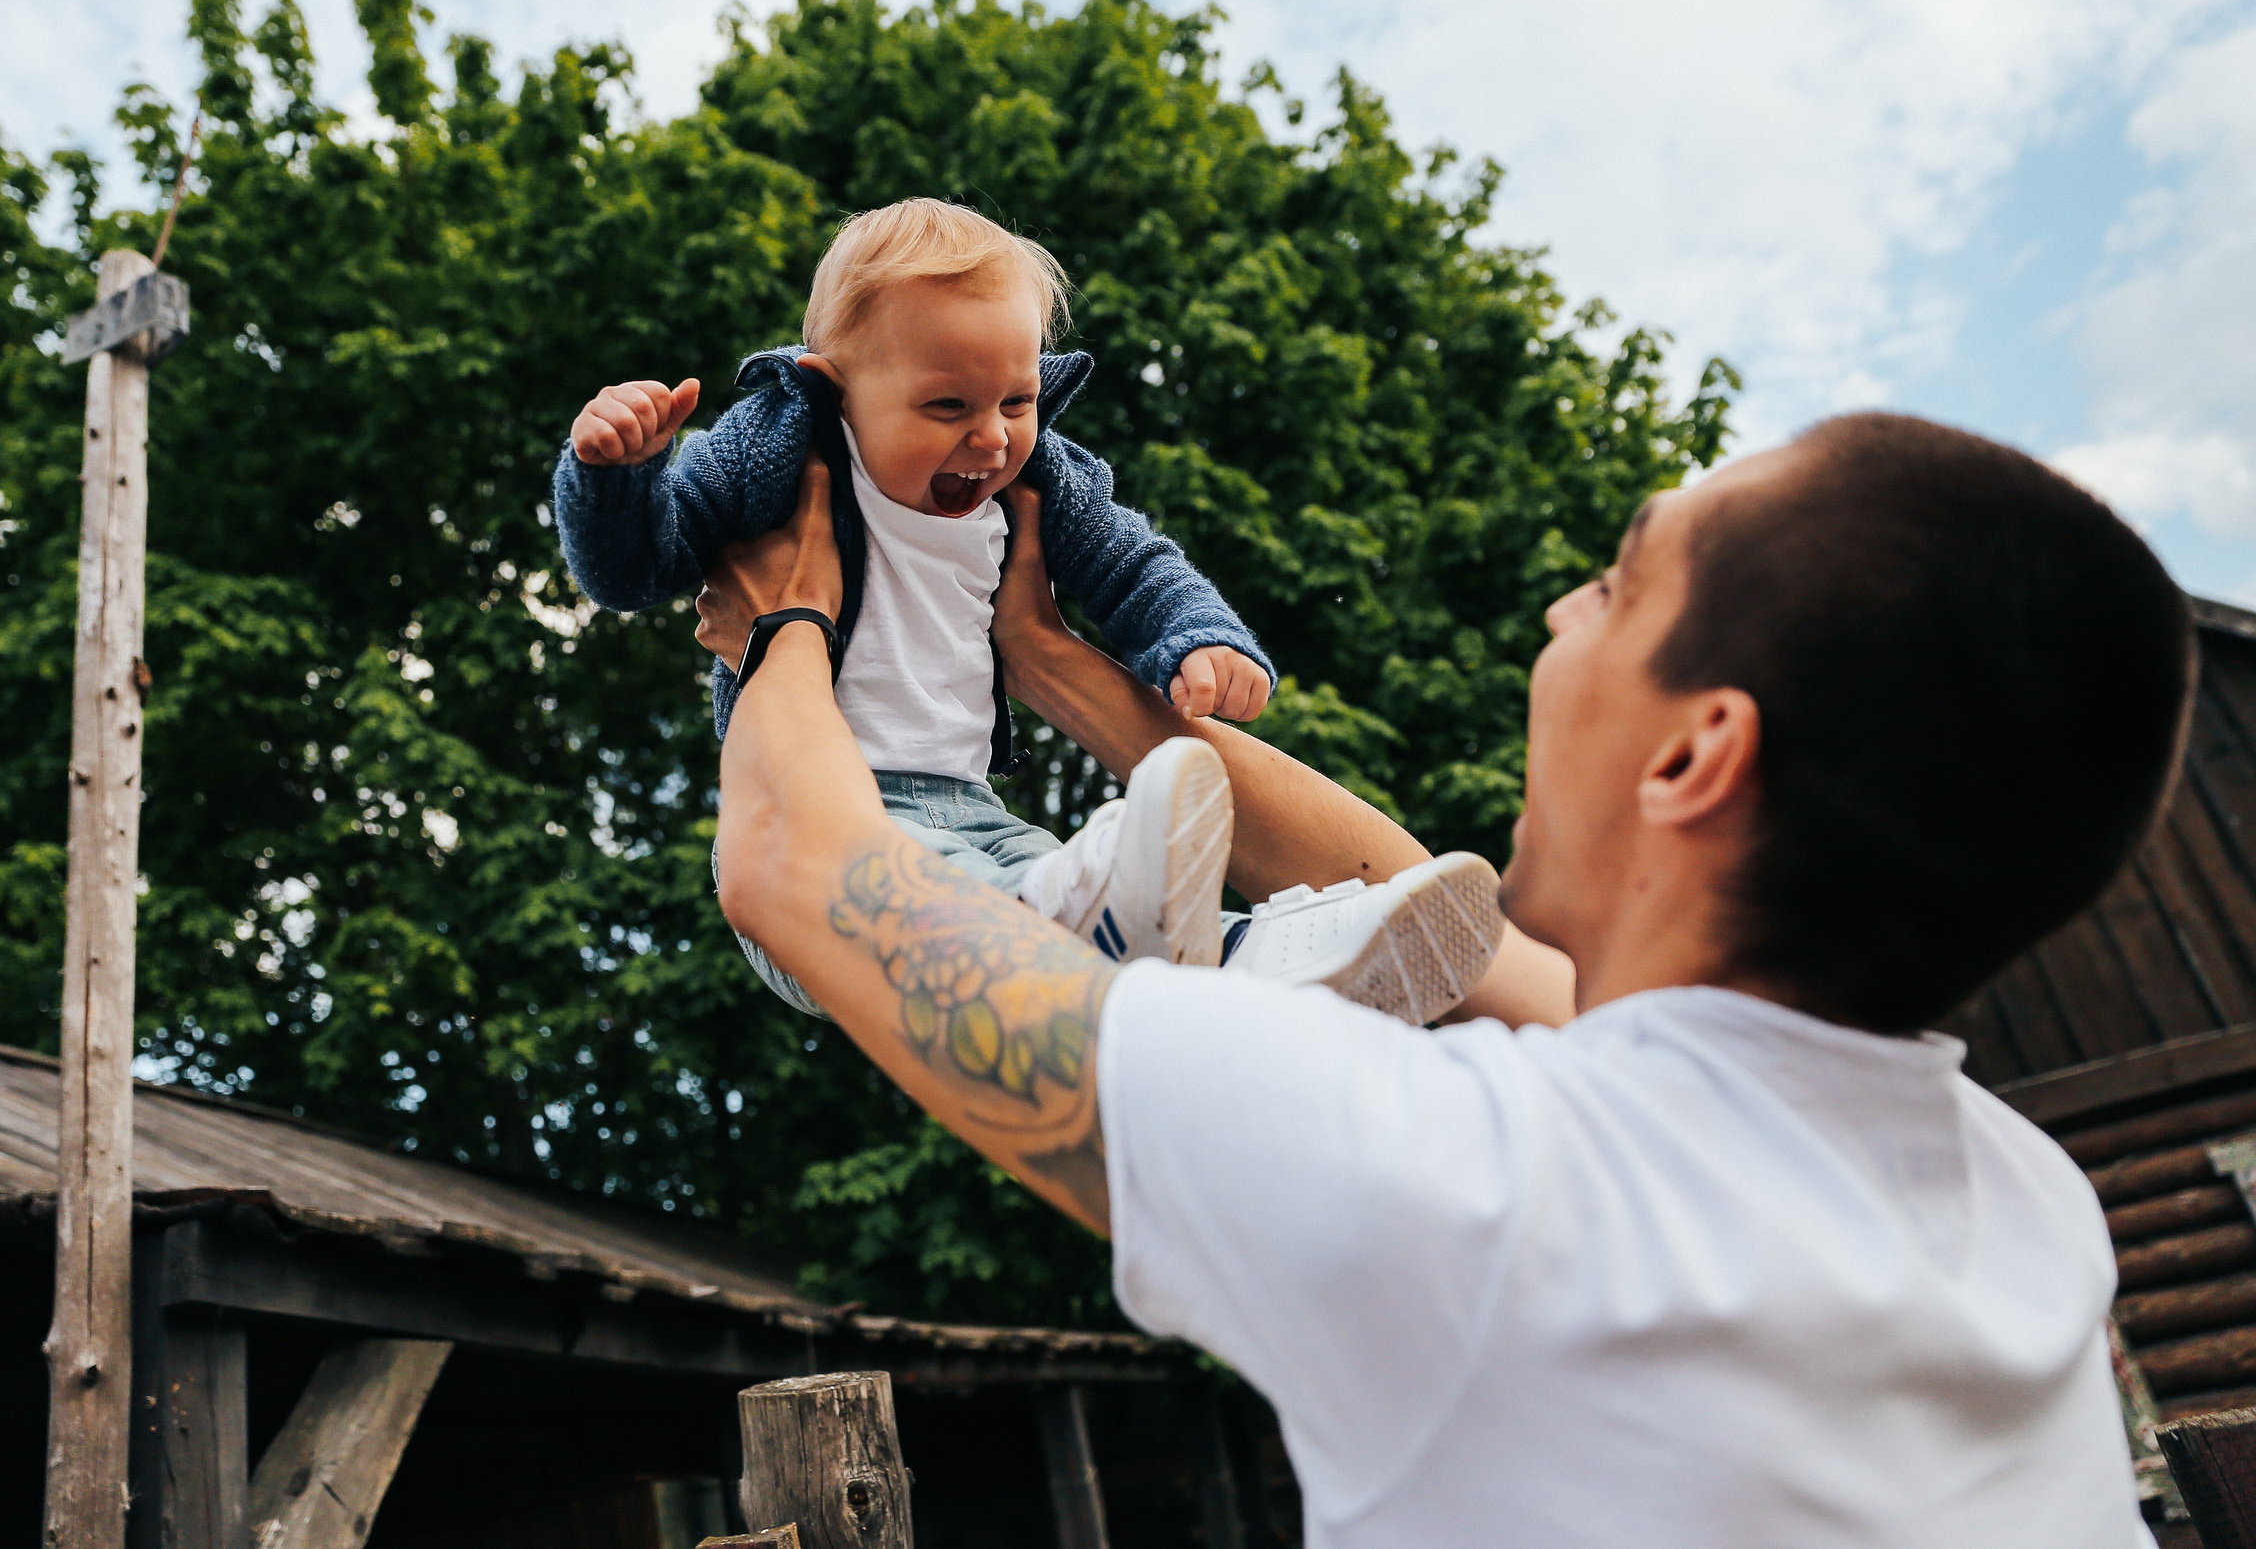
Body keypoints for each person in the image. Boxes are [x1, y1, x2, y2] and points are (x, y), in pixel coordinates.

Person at [702, 411, 2195, 1546]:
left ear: (1696, 752)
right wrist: (1038, 651)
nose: (1560, 615)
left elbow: (796, 863)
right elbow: (1424, 910)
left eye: (1615, 588)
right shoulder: (2021, 1194)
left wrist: (788, 624)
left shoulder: (1472, 1188)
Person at [556, 198, 1496, 1022]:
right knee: (1001, 892)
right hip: (807, 831)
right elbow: (638, 568)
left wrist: (1198, 635)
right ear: (834, 388)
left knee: (1065, 892)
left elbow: (1133, 562)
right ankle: (1064, 920)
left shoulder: (1039, 480)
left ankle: (1256, 953)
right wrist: (615, 477)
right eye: (948, 404)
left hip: (972, 812)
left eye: (1018, 397)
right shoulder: (776, 445)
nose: (992, 435)